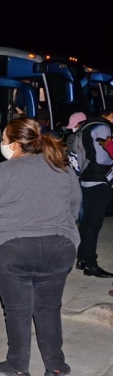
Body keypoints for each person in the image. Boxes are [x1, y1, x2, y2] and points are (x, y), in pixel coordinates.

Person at [0, 118, 81, 376]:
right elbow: (75, 206)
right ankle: (56, 365)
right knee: (49, 307)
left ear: (16, 144)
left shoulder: (1, 172)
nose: (2, 145)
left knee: (17, 309)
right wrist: (66, 233)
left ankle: (18, 364)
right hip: (58, 248)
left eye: (4, 140)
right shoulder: (61, 167)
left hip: (11, 250)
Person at [76, 108, 113, 278]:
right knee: (93, 225)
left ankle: (83, 258)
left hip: (87, 177)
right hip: (99, 179)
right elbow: (102, 158)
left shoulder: (88, 124)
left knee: (87, 222)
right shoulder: (103, 128)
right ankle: (91, 264)